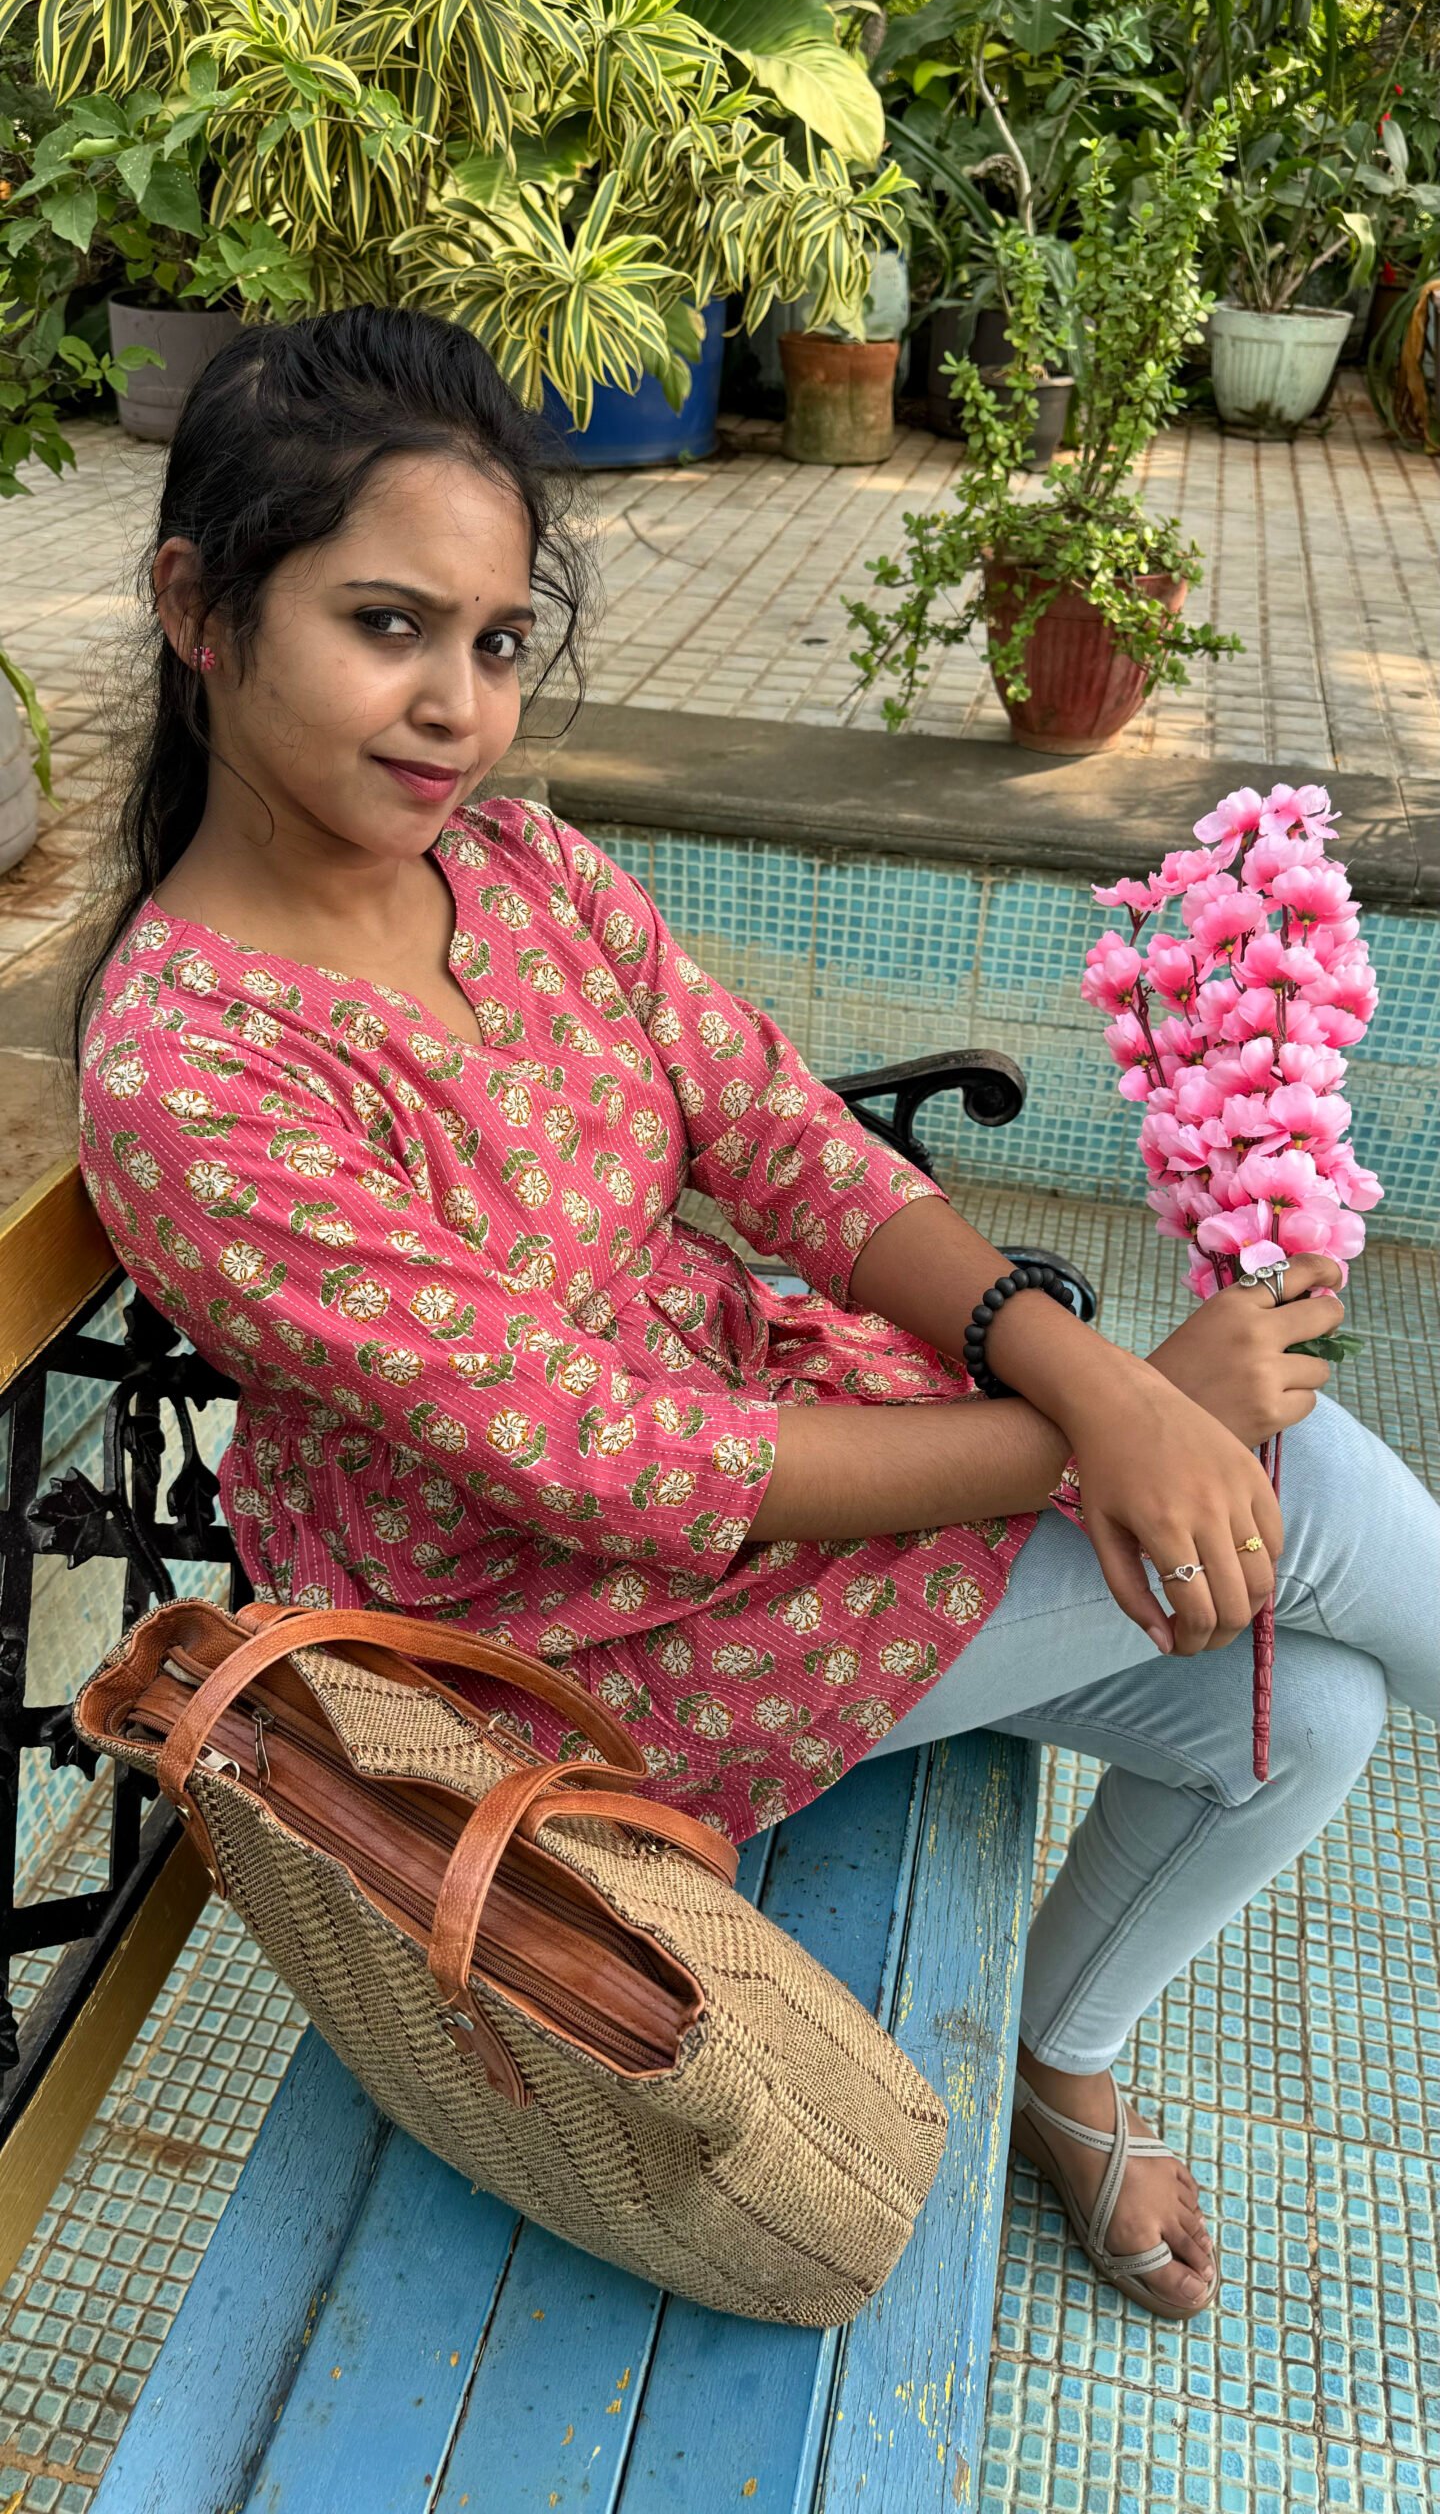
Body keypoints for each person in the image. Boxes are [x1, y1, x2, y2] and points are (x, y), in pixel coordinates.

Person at [73, 307, 1440, 2326]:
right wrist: (1116, 1424)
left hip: (756, 1466)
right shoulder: (197, 1075)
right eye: (386, 626)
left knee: (1310, 1711)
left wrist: (1088, 1375)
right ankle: (1068, 2041)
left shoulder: (513, 866)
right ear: (199, 606)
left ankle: (1060, 2063)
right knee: (1296, 1482)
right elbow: (602, 1463)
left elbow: (783, 1138)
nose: (456, 706)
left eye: (498, 640)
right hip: (549, 1636)